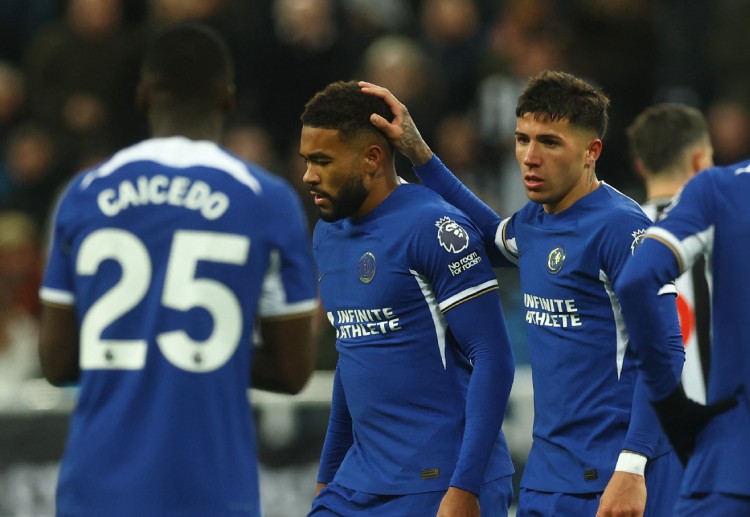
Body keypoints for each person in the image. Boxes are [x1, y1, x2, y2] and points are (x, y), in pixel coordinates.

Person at [361, 70, 685, 517]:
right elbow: (489, 236)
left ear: (591, 152)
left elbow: (666, 350)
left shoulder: (621, 228)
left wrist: (633, 467)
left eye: (549, 142)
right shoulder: (534, 221)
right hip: (545, 479)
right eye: (522, 139)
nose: (530, 157)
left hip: (617, 476)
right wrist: (420, 154)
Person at [37, 22, 318, 516]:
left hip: (95, 490)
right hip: (211, 489)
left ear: (143, 95)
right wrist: (198, 347)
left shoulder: (83, 194)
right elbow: (293, 371)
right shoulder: (267, 200)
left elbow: (57, 362)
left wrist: (140, 339)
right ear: (228, 98)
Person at [300, 80, 515, 516]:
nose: (308, 176)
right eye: (307, 160)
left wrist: (466, 486)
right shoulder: (327, 234)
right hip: (358, 481)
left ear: (372, 158)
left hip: (441, 479)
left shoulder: (434, 227)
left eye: (322, 161)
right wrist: (328, 475)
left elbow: (493, 357)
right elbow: (352, 355)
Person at [614, 159, 749, 515]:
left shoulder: (721, 189)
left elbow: (636, 281)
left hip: (729, 465)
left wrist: (671, 409)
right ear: (698, 157)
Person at [626, 103, 714, 403]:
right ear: (700, 160)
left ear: (640, 166)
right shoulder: (725, 227)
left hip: (641, 422)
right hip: (725, 418)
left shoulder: (617, 232)